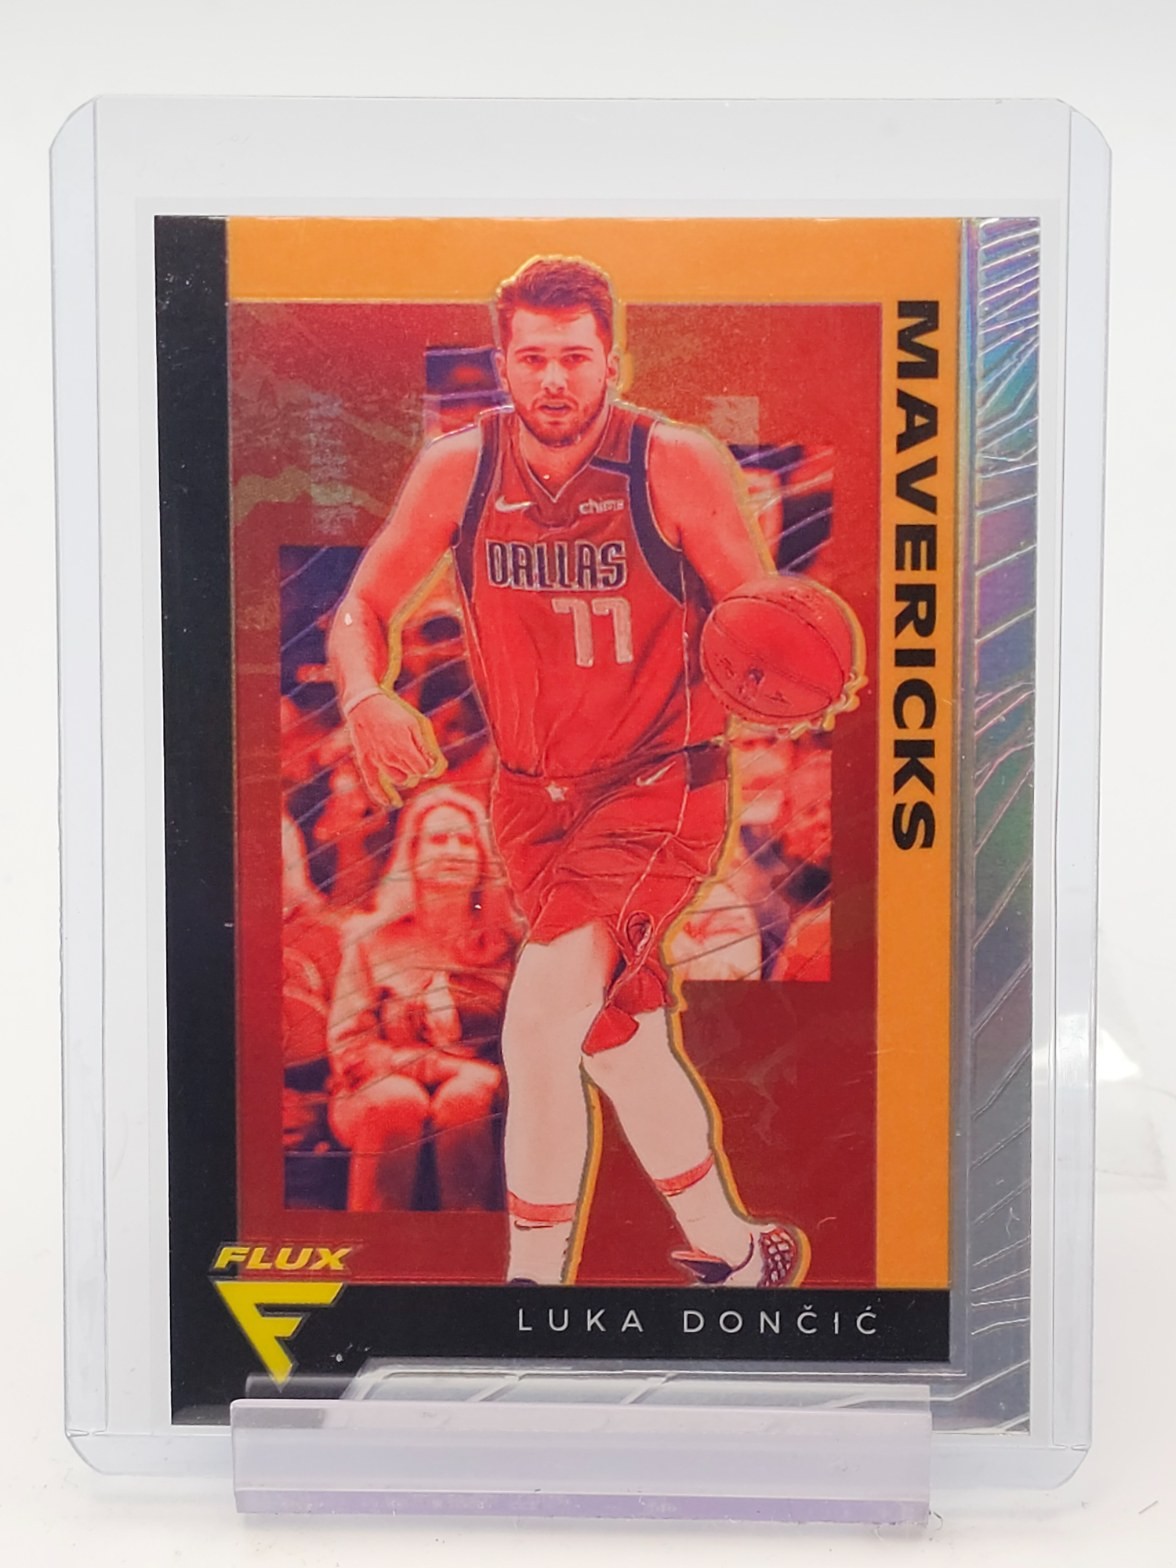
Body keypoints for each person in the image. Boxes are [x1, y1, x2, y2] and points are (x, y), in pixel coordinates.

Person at [328, 254, 811, 1287]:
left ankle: (531, 1289)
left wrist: (790, 675)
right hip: (528, 798)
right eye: (535, 358)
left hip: (659, 783)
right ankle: (736, 1248)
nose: (555, 379)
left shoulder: (673, 461)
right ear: (504, 363)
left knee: (540, 1020)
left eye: (576, 358)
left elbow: (760, 619)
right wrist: (366, 693)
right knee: (612, 1036)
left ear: (612, 362)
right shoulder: (458, 468)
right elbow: (362, 607)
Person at [327, 786, 520, 1213]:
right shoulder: (371, 940)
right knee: (397, 1099)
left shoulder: (511, 944)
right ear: (411, 854)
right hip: (374, 1086)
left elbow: (528, 1047)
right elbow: (349, 1048)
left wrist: (475, 1073)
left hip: (483, 1086)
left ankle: (470, 1236)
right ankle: (374, 1240)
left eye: (466, 840)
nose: (452, 851)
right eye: (437, 839)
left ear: (484, 857)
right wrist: (439, 1066)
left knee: (467, 1096)